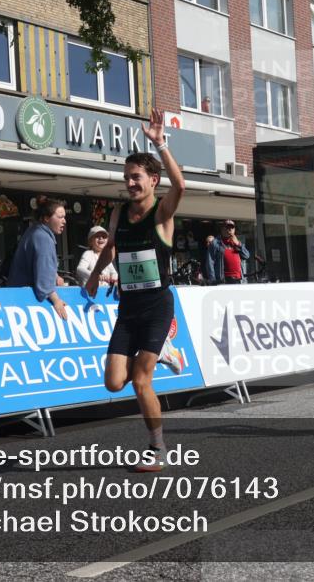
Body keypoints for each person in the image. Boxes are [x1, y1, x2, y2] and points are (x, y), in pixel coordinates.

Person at [85, 108, 186, 472]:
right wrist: (95, 275)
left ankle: (157, 449)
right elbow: (110, 246)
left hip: (157, 306)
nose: (130, 183)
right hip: (128, 309)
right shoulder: (118, 212)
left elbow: (181, 186)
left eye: (137, 177)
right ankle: (164, 352)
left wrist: (161, 144)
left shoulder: (162, 213)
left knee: (141, 382)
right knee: (114, 383)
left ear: (153, 180)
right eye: (127, 177)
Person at [7, 198, 69, 320]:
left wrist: (55, 275)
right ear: (46, 218)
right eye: (60, 217)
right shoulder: (43, 238)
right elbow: (44, 282)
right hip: (26, 302)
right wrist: (56, 300)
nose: (64, 221)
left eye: (64, 217)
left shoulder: (35, 231)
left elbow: (40, 265)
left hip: (16, 297)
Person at [207, 219, 251, 284]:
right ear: (222, 229)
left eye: (232, 227)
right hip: (224, 280)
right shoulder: (215, 243)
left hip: (238, 279)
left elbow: (246, 256)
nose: (230, 229)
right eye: (227, 227)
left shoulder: (236, 242)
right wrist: (213, 280)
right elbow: (210, 263)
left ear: (234, 230)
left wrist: (238, 244)